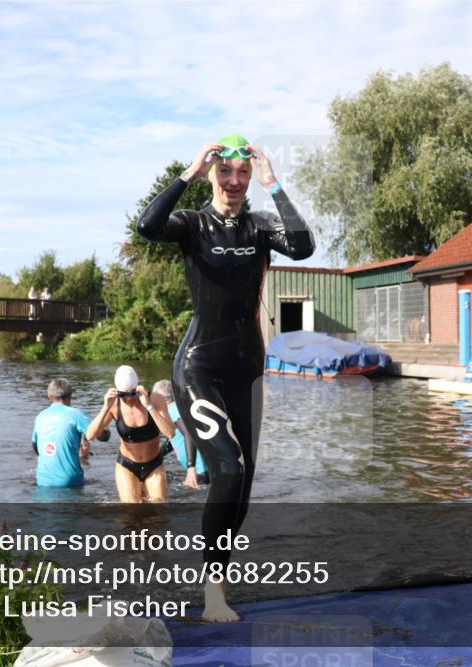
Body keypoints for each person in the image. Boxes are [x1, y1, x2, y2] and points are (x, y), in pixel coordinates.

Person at [137, 133, 314, 621]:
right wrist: (188, 174)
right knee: (228, 468)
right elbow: (147, 226)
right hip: (199, 364)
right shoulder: (191, 223)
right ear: (213, 174)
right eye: (224, 172)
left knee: (245, 481)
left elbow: (303, 246)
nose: (234, 182)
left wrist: (274, 184)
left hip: (247, 367)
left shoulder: (260, 226)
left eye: (242, 174)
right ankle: (212, 593)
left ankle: (219, 579)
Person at [87, 365, 175, 503]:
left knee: (158, 509)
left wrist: (149, 407)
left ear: (138, 387)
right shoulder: (114, 404)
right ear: (117, 392)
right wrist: (105, 407)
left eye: (132, 393)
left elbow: (170, 433)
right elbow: (90, 435)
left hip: (154, 464)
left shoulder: (155, 399)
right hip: (127, 466)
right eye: (123, 395)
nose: (128, 399)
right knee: (130, 512)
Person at [32, 378, 94, 488]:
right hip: (70, 482)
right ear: (70, 396)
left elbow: (36, 448)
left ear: (49, 396)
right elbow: (103, 435)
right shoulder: (76, 415)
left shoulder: (39, 417)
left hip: (43, 481)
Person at [150, 379, 210, 489]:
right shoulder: (176, 409)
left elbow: (189, 434)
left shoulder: (172, 410)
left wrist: (190, 467)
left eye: (154, 398)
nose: (151, 402)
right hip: (203, 471)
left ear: (162, 399)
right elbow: (174, 439)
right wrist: (156, 457)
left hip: (198, 472)